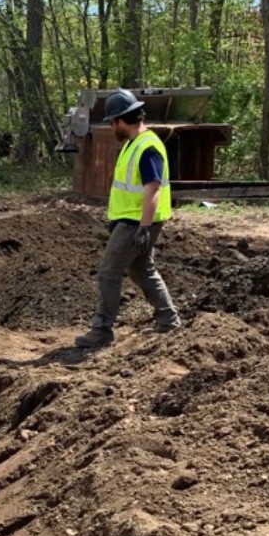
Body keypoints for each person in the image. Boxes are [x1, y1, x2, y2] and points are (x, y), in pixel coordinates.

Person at [75, 89, 181, 350]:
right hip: (136, 220)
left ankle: (101, 330)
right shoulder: (135, 144)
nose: (112, 127)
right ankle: (168, 319)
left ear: (122, 120)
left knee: (110, 270)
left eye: (113, 122)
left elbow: (152, 188)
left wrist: (144, 227)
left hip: (137, 223)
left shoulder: (147, 147)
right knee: (141, 268)